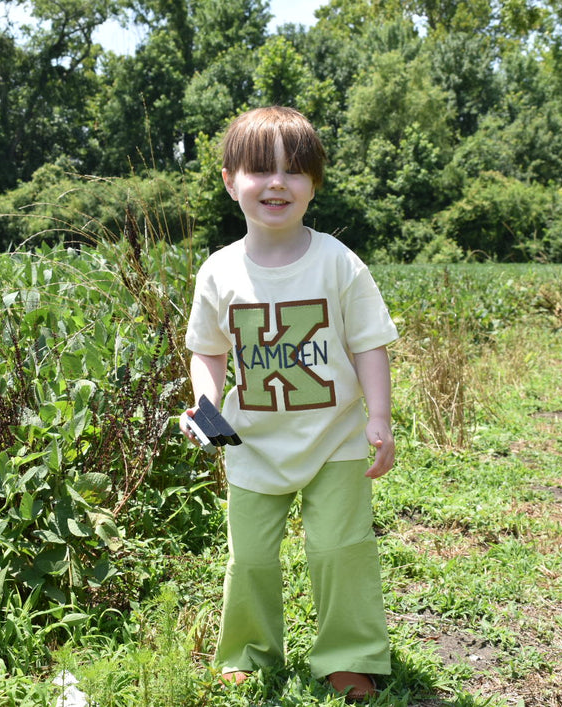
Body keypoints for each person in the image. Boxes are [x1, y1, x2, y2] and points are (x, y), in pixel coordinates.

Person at [179, 105, 398, 702]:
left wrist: (378, 418)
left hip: (334, 440)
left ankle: (349, 655)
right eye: (259, 170)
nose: (277, 183)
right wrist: (207, 405)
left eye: (294, 171)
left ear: (314, 183)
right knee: (248, 559)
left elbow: (370, 343)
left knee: (339, 551)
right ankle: (249, 652)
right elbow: (208, 354)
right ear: (229, 181)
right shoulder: (218, 271)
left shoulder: (339, 262)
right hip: (251, 444)